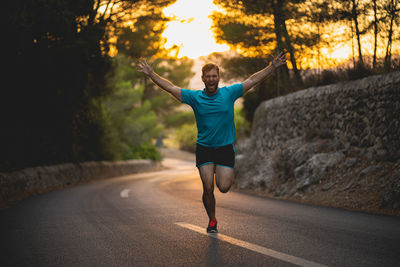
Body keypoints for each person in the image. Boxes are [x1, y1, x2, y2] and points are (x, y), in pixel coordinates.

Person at [138, 52, 287, 233]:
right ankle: (212, 220)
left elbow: (252, 80)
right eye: (208, 76)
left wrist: (272, 67)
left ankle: (219, 184)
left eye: (214, 76)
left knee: (223, 187)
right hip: (205, 148)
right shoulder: (195, 97)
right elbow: (170, 87)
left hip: (225, 148)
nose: (211, 79)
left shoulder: (229, 93)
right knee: (207, 187)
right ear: (203, 78)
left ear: (218, 77)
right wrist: (152, 75)